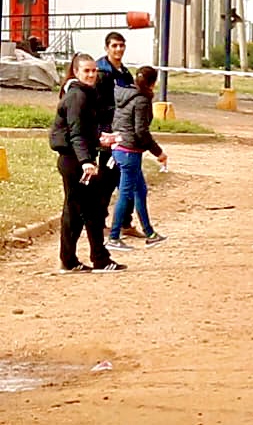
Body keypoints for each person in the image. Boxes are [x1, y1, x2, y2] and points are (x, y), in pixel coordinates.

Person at [49, 54, 125, 273]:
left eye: (94, 70)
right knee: (82, 211)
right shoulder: (77, 96)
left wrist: (100, 140)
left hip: (79, 158)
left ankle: (88, 259)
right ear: (76, 72)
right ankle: (78, 260)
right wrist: (85, 161)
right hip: (74, 161)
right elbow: (75, 134)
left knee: (87, 210)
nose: (92, 75)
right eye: (86, 71)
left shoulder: (85, 94)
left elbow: (83, 131)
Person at [107, 66, 168, 250]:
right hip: (130, 151)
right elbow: (141, 131)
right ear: (153, 83)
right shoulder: (142, 100)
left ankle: (149, 232)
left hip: (120, 146)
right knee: (126, 194)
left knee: (140, 190)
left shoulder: (124, 95)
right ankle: (114, 236)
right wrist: (158, 152)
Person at [95, 31, 142, 239]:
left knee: (128, 178)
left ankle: (125, 222)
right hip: (108, 134)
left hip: (124, 133)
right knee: (107, 178)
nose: (118, 49)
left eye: (121, 45)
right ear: (107, 48)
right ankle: (98, 221)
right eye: (114, 46)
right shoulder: (101, 72)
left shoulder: (124, 73)